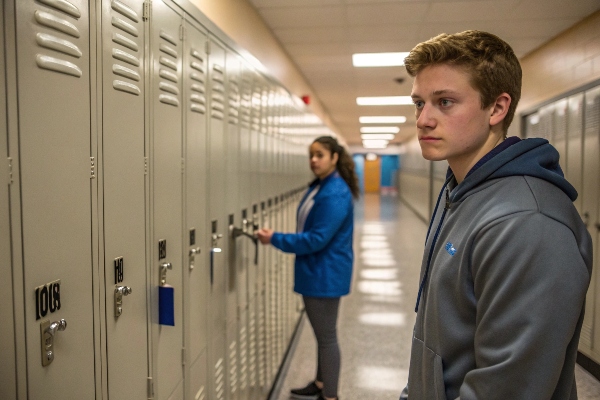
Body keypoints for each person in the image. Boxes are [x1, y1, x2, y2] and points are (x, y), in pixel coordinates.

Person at [399, 30, 592, 399]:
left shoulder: (527, 222)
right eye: (419, 103)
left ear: (497, 108)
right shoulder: (459, 191)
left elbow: (508, 387)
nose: (423, 119)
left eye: (445, 102)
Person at [256, 136, 359, 400]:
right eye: (311, 155)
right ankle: (321, 383)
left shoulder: (334, 191)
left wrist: (275, 238)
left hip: (324, 274)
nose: (313, 160)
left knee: (326, 338)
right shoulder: (322, 186)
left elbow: (317, 239)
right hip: (318, 270)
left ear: (334, 158)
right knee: (322, 335)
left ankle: (331, 396)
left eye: (320, 155)